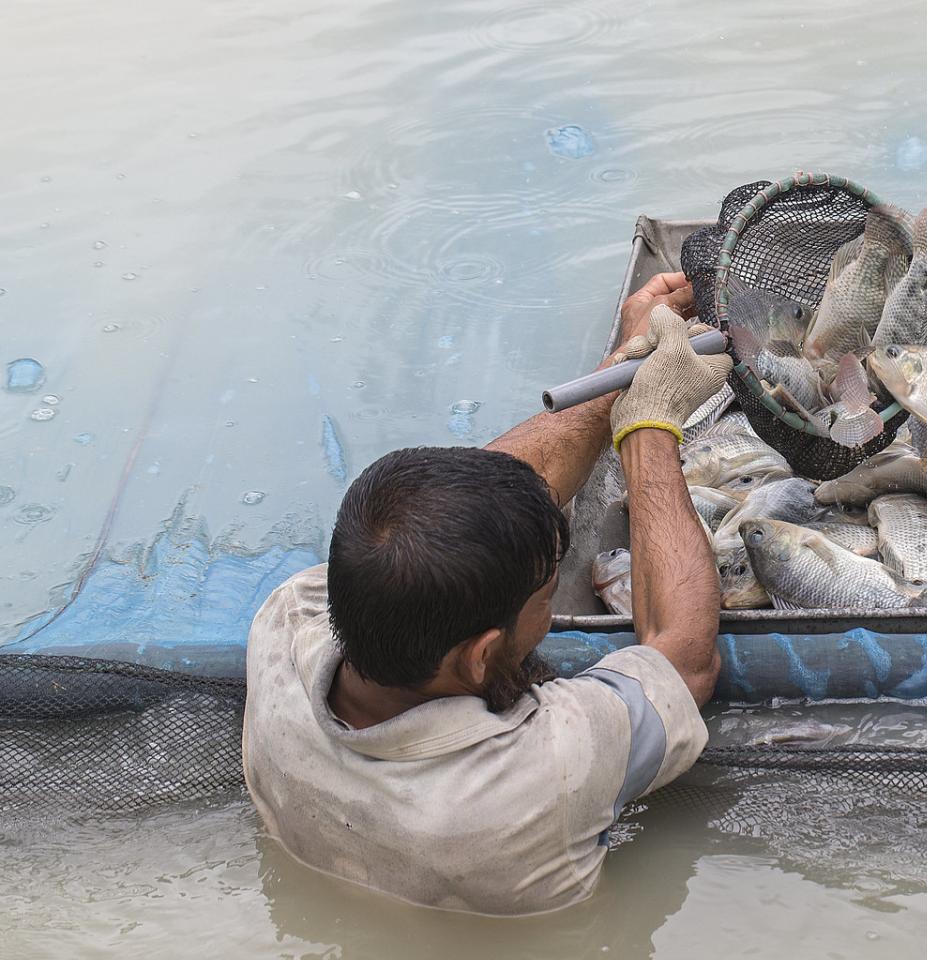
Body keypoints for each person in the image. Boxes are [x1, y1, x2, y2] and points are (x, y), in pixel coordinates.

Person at [242, 272, 734, 915]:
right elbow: (683, 657)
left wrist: (617, 370)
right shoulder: (543, 770)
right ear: (479, 656)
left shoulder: (282, 628)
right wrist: (647, 425)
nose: (549, 609)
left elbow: (447, 519)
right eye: (546, 595)